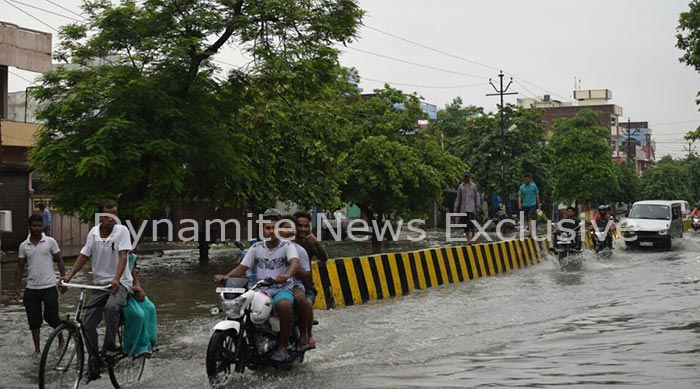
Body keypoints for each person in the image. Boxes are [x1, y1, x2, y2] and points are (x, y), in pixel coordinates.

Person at [214, 209, 300, 362]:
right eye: (268, 228)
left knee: (285, 305)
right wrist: (225, 276)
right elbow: (241, 269)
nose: (271, 231)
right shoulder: (256, 248)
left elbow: (294, 263)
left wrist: (286, 275)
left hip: (282, 288)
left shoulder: (287, 246)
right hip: (261, 289)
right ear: (262, 230)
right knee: (243, 309)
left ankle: (282, 345)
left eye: (275, 228)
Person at [62, 200, 135, 380]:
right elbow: (84, 255)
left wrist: (117, 278)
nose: (111, 220)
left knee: (111, 307)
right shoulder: (93, 233)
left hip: (120, 282)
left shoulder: (122, 231)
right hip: (99, 284)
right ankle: (94, 362)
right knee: (87, 324)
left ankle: (110, 347)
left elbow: (123, 256)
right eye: (107, 216)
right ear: (100, 217)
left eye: (114, 215)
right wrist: (69, 276)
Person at [14, 214, 66, 353]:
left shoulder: (50, 242)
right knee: (34, 321)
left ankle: (61, 339)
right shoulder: (24, 246)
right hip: (31, 289)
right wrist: (17, 287)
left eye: (39, 225)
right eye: (34, 226)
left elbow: (59, 260)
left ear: (42, 226)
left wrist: (63, 280)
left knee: (52, 318)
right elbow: (20, 267)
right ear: (29, 227)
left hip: (49, 286)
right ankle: (37, 349)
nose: (37, 228)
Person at [279, 215, 314, 351]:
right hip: (270, 286)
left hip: (296, 284)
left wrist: (292, 267)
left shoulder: (301, 249)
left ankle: (306, 333)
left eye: (291, 228)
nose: (289, 232)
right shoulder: (264, 247)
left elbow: (307, 276)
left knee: (302, 300)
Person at [122, 252, 157, 357]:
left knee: (150, 307)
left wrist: (139, 289)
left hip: (131, 292)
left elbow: (134, 278)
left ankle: (150, 342)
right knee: (138, 315)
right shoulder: (116, 257)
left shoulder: (131, 257)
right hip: (121, 291)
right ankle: (134, 346)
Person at [453, 171, 481, 243]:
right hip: (463, 208)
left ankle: (473, 234)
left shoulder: (473, 186)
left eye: (467, 176)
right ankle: (468, 238)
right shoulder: (460, 187)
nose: (466, 178)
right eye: (465, 176)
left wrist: (477, 206)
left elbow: (476, 196)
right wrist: (456, 207)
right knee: (465, 224)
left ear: (470, 177)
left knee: (470, 223)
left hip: (471, 208)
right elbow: (458, 198)